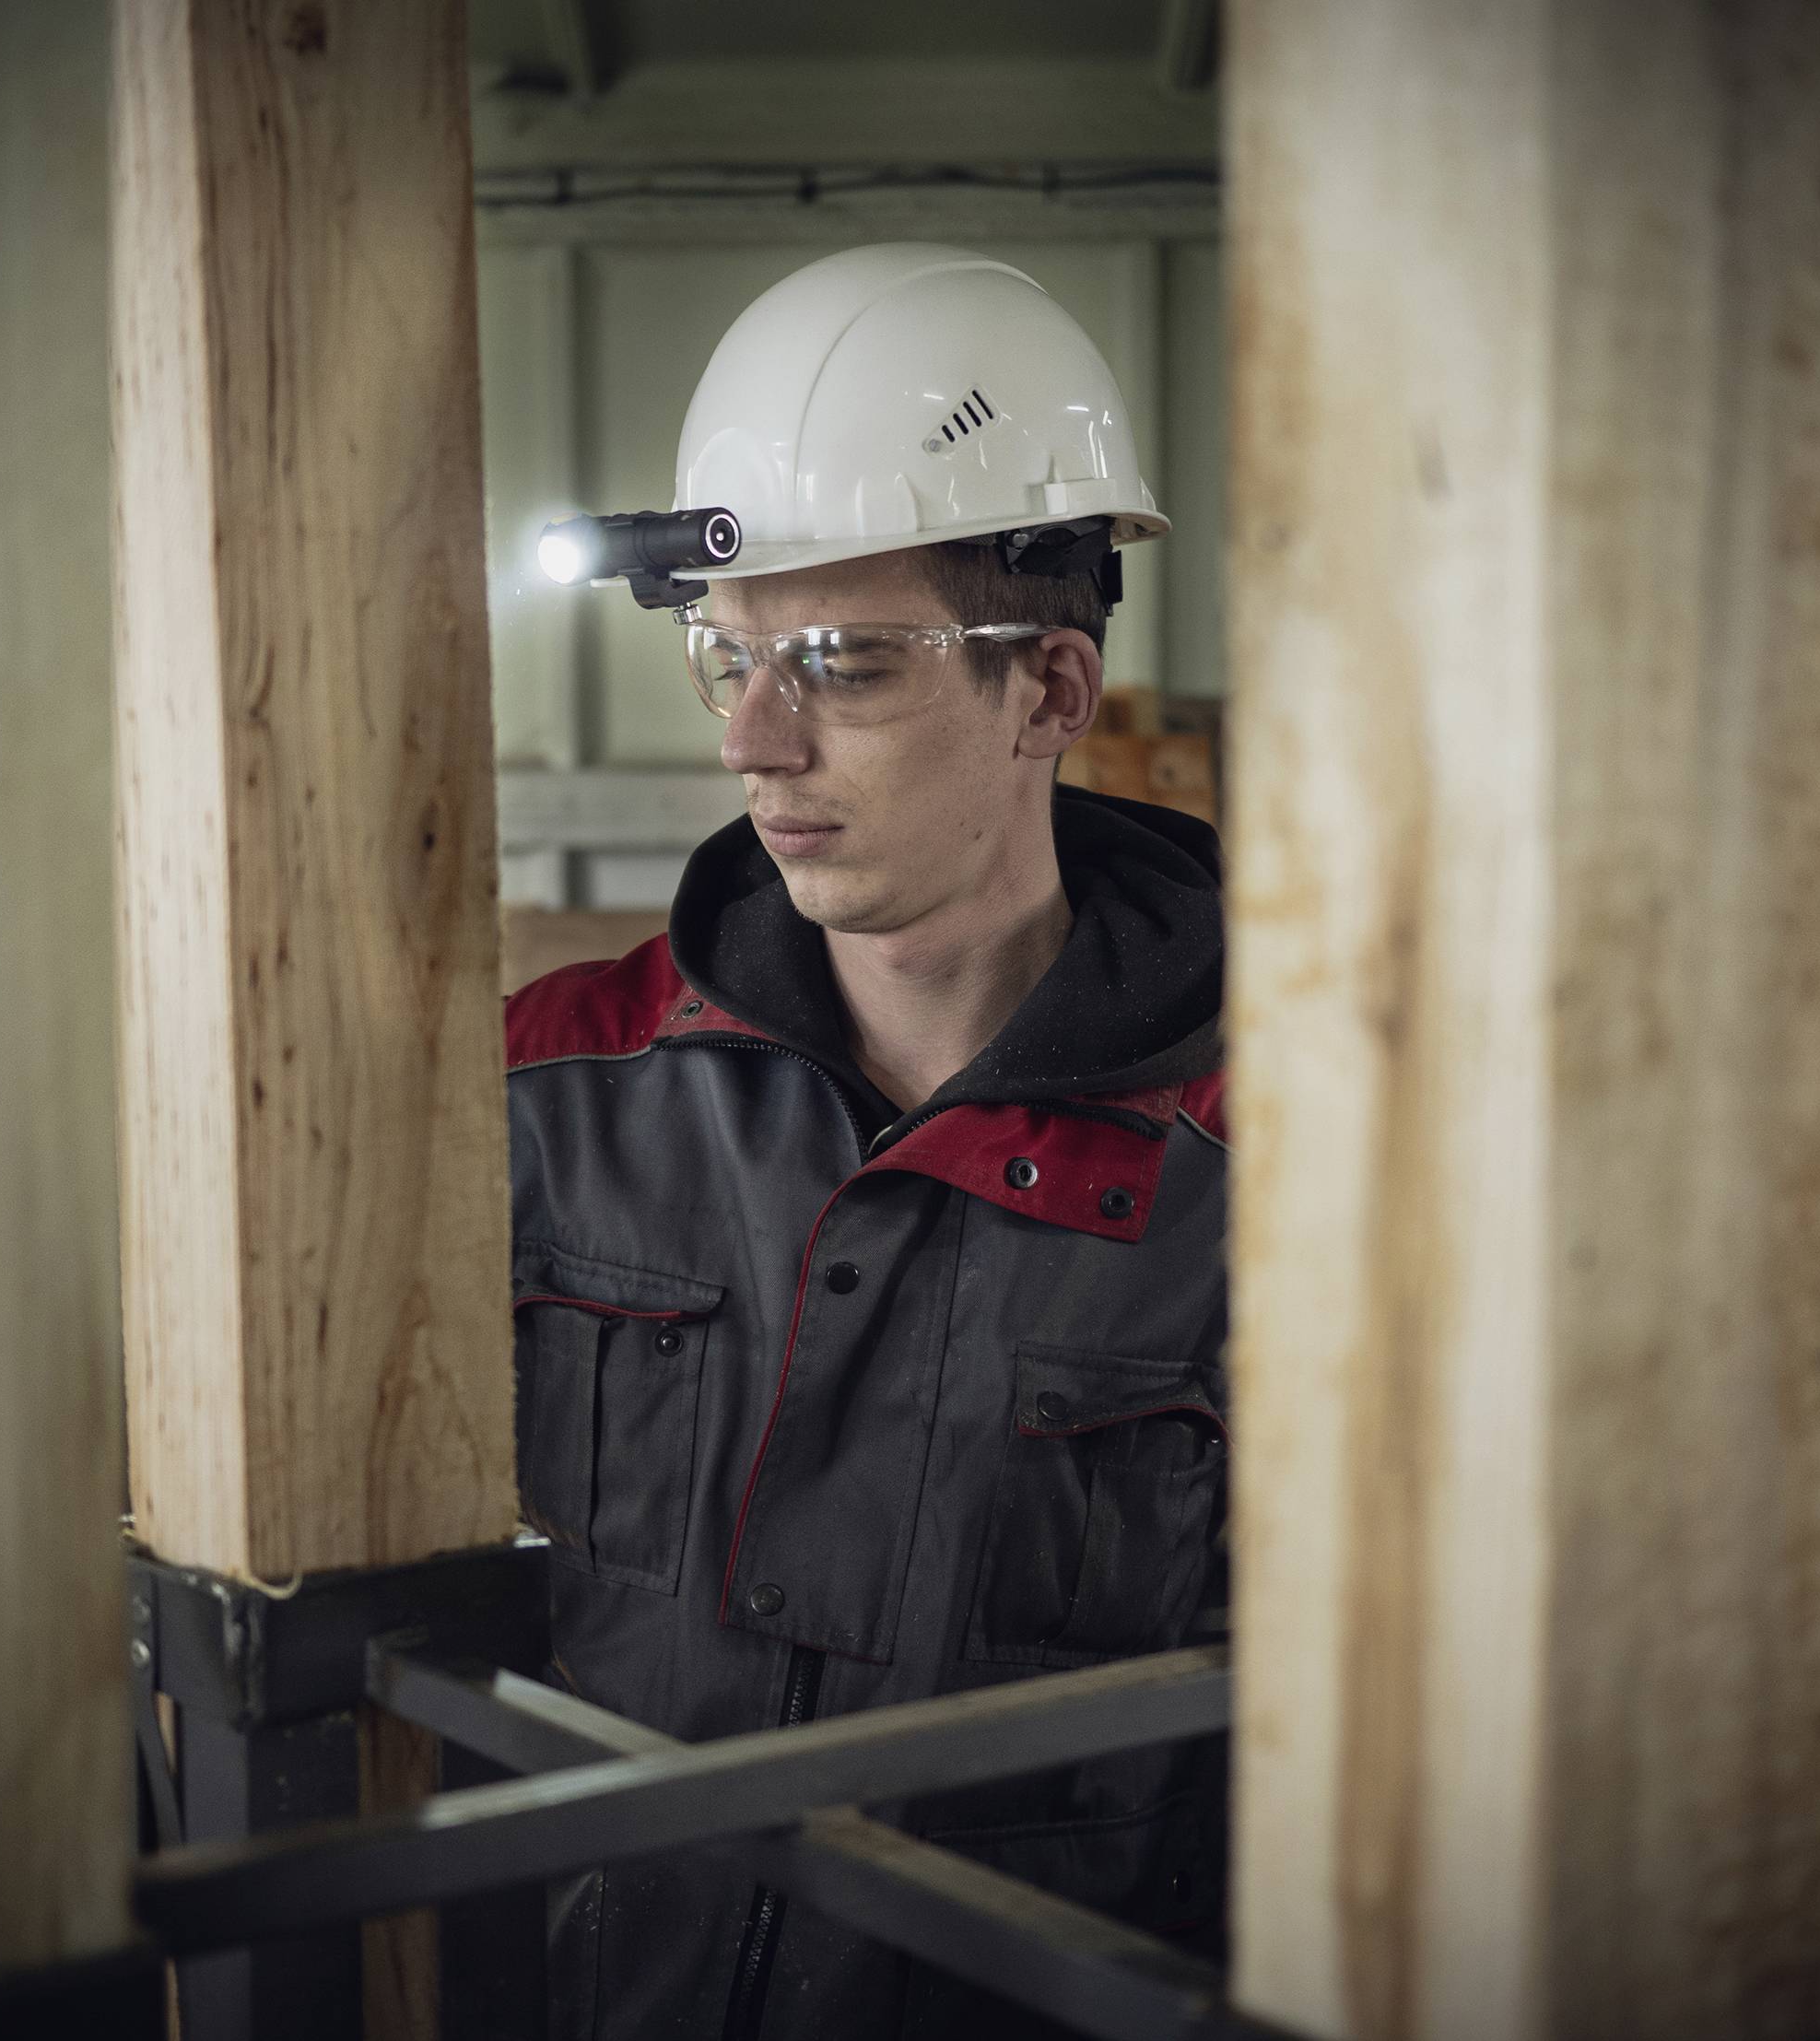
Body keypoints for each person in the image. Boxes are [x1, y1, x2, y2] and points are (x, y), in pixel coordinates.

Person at [505, 244, 1227, 2039]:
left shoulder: (1291, 1163)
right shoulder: (550, 1085)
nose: (754, 741)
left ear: (1049, 694)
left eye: (841, 662)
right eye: (724, 658)